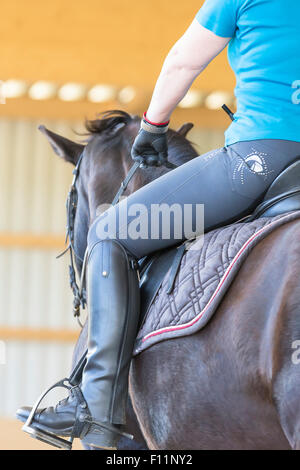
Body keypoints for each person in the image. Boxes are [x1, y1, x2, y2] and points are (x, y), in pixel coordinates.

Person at [17, 0, 300, 449]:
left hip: (256, 166)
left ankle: (95, 407)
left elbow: (186, 59)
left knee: (110, 234)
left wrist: (153, 125)